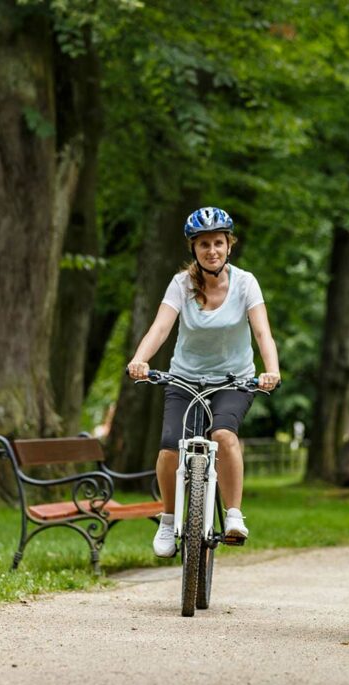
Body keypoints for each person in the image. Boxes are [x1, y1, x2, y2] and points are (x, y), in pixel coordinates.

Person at [126, 207, 281, 557]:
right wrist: (140, 360)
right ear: (193, 249)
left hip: (233, 381)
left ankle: (234, 515)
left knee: (224, 435)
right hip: (184, 379)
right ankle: (168, 520)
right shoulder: (181, 284)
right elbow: (161, 327)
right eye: (204, 244)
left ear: (230, 245)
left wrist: (271, 370)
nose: (212, 250)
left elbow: (262, 332)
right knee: (169, 448)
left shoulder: (245, 283)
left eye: (218, 243)